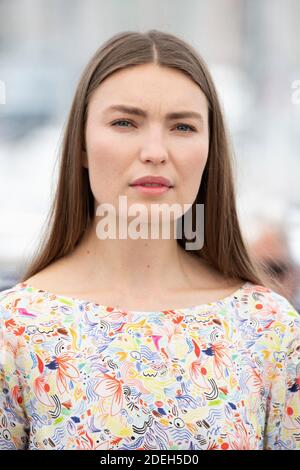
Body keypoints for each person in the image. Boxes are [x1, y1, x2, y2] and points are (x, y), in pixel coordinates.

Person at [0, 29, 299, 451]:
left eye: (182, 126)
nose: (155, 150)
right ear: (80, 145)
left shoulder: (269, 328)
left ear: (210, 150)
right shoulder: (17, 329)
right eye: (125, 122)